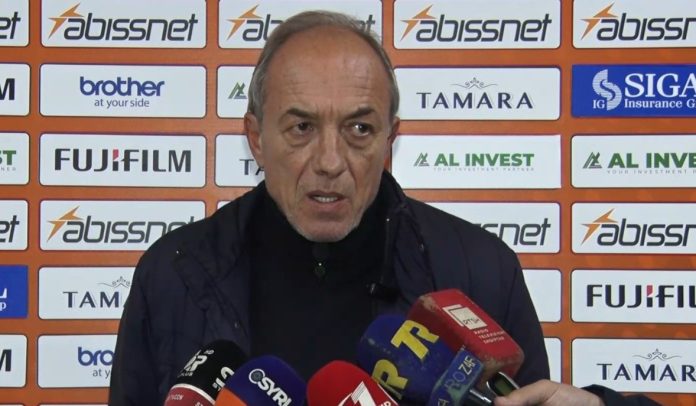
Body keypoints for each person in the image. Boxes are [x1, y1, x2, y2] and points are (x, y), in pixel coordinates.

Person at [108, 10, 644, 405]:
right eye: (301, 127)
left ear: (391, 138)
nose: (330, 161)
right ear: (255, 138)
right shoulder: (174, 274)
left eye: (359, 129)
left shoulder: (481, 271)